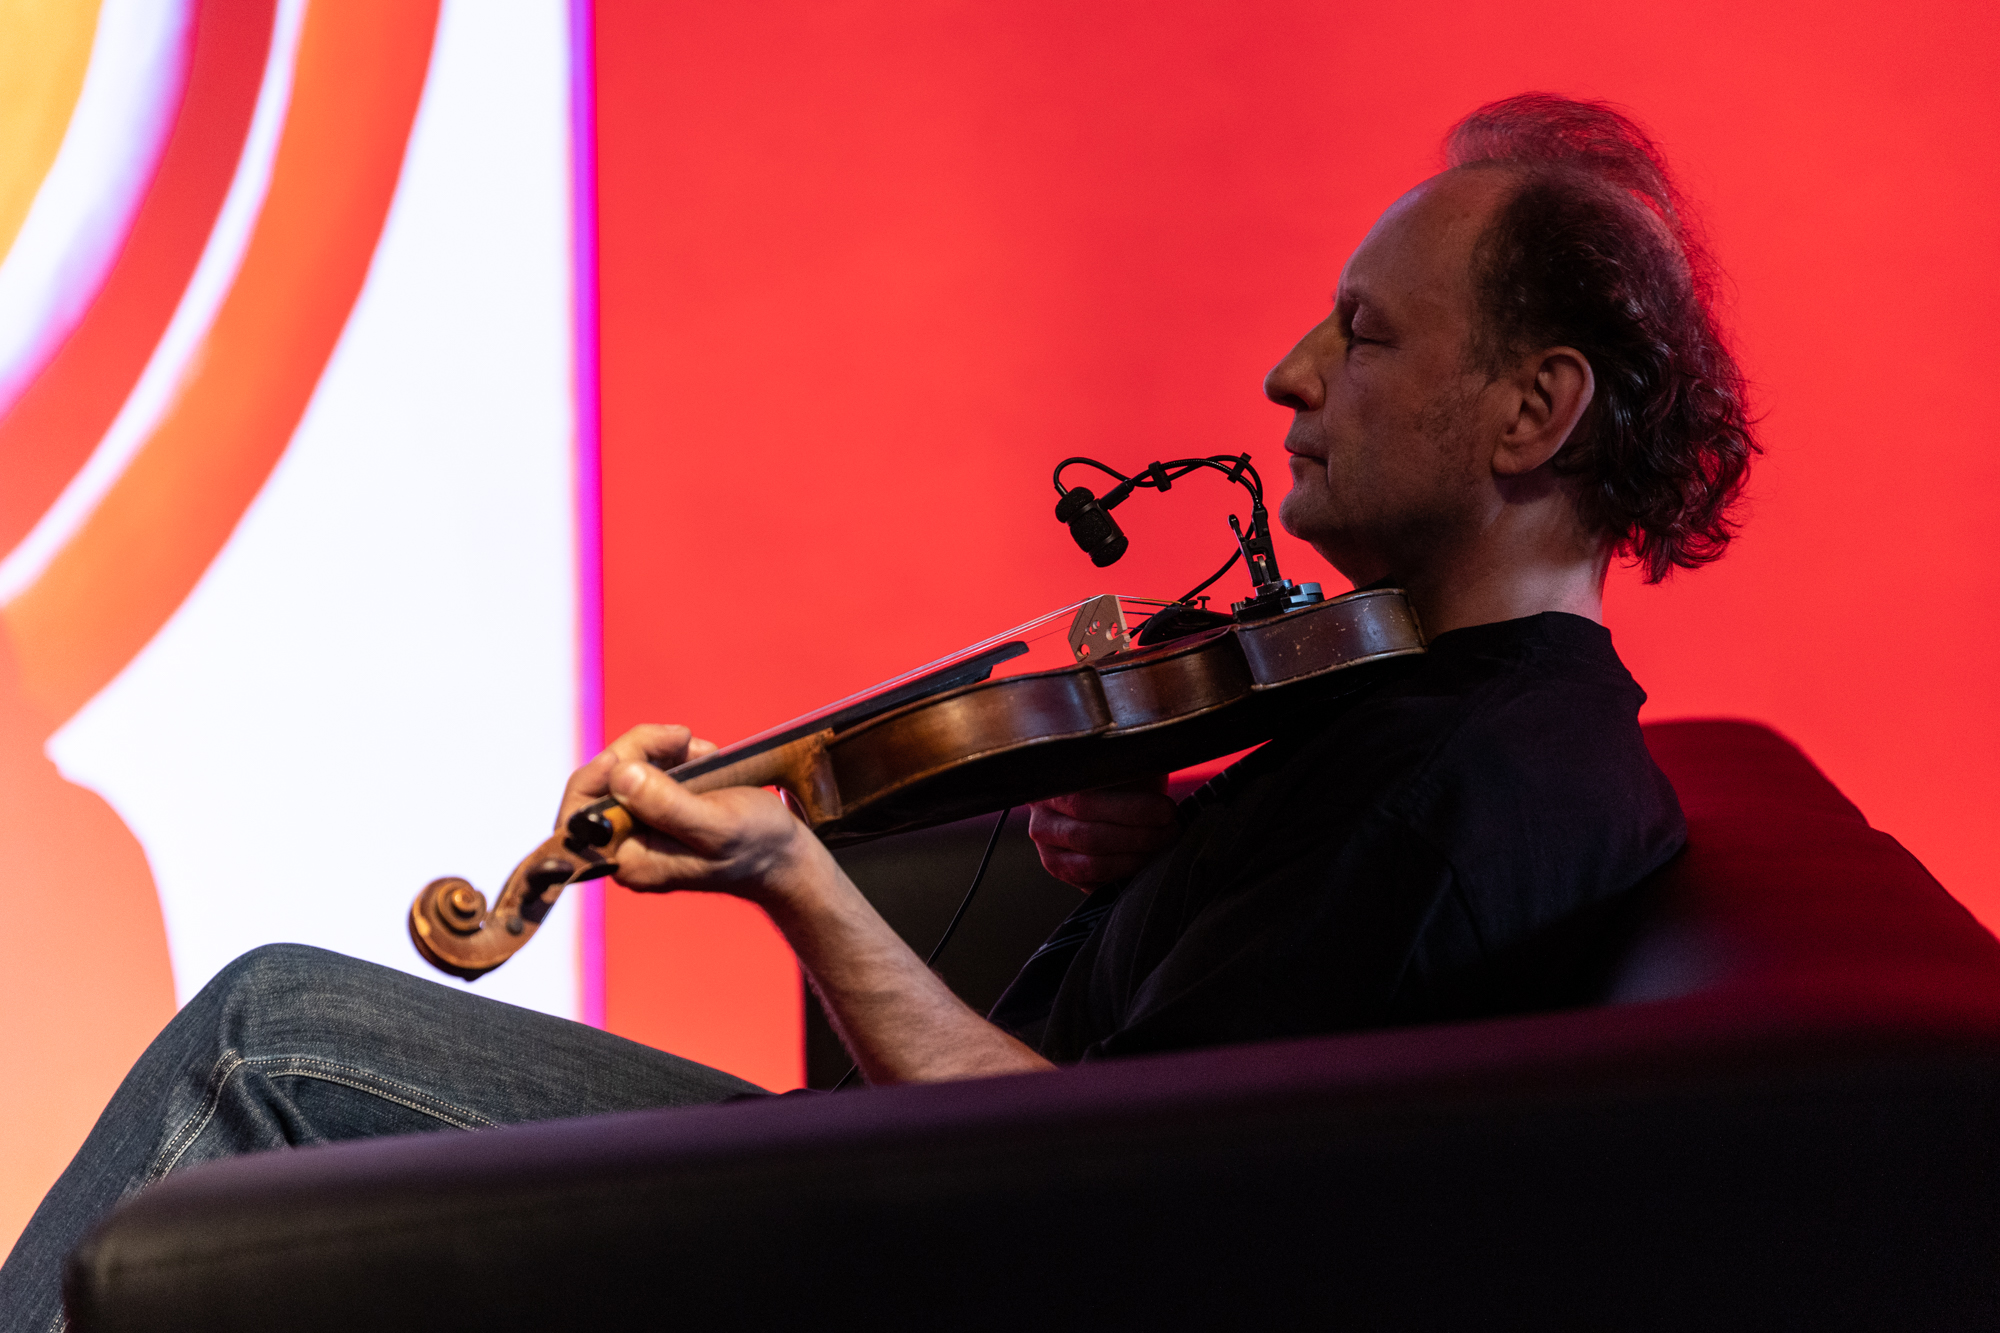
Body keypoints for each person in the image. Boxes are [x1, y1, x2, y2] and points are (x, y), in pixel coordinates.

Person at [0, 91, 1755, 1327]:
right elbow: (1277, 1028)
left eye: (1364, 335)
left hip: (917, 1245)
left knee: (266, 1043)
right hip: (908, 1197)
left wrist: (793, 873)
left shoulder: (1453, 792)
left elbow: (1080, 1195)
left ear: (1533, 412)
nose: (1291, 372)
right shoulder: (1457, 720)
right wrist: (1172, 860)